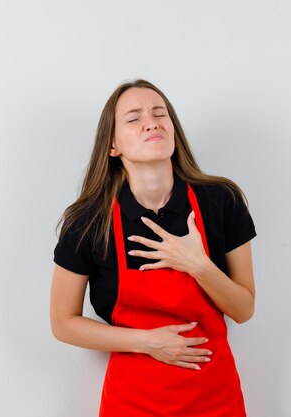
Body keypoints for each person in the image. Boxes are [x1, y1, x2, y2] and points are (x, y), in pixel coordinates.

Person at [50, 78, 257, 417]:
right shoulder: (87, 222)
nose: (151, 122)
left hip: (214, 398)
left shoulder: (221, 202)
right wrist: (145, 341)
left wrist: (198, 264)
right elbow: (62, 322)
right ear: (112, 145)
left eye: (160, 113)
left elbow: (244, 309)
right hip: (133, 401)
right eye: (133, 118)